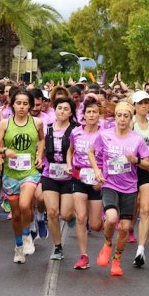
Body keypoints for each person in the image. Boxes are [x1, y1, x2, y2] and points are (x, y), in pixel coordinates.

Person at [89, 101, 149, 277]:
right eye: (119, 115)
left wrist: (136, 161)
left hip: (129, 188)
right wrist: (96, 171)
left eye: (126, 116)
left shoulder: (137, 139)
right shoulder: (104, 135)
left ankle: (116, 260)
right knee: (111, 218)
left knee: (124, 228)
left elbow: (148, 164)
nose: (122, 119)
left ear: (130, 118)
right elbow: (91, 152)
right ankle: (108, 243)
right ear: (115, 117)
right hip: (109, 184)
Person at [0, 88, 44, 263]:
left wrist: (39, 155)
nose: (22, 107)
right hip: (10, 174)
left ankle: (27, 232)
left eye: (25, 104)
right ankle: (19, 246)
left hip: (29, 172)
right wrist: (6, 150)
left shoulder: (37, 123)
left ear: (30, 105)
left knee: (24, 205)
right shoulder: (5, 124)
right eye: (18, 103)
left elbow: (42, 139)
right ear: (12, 104)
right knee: (15, 215)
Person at [68, 96, 103, 269]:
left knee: (95, 225)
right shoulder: (76, 132)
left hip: (97, 180)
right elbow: (70, 150)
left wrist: (102, 176)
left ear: (99, 115)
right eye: (88, 112)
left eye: (95, 112)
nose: (91, 115)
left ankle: (102, 219)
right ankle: (83, 255)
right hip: (79, 177)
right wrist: (68, 164)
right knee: (81, 217)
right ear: (84, 115)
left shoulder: (104, 134)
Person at [40, 97, 77, 261]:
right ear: (55, 110)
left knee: (66, 214)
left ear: (71, 113)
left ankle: (71, 216)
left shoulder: (76, 130)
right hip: (50, 174)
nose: (62, 111)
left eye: (66, 109)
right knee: (53, 212)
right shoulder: (47, 129)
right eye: (59, 108)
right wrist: (38, 158)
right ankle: (57, 246)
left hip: (69, 176)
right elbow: (40, 147)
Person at [130, 90, 149, 267]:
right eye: (140, 103)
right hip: (131, 170)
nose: (144, 106)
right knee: (133, 205)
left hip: (148, 168)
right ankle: (129, 228)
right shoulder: (130, 123)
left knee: (146, 208)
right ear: (134, 105)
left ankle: (141, 250)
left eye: (147, 102)